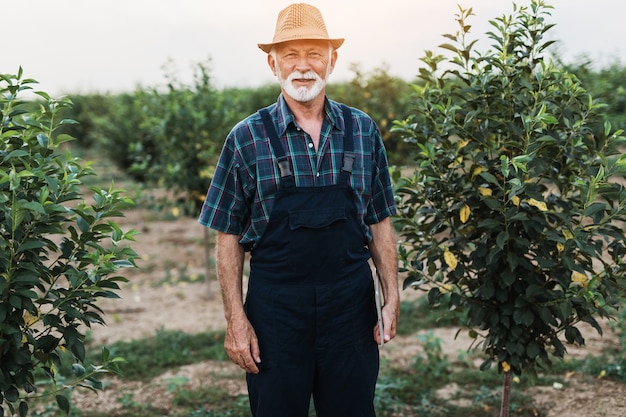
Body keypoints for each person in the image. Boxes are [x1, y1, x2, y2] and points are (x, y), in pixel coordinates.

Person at [198, 3, 399, 416]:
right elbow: (228, 236)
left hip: (350, 308)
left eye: (314, 53)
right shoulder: (246, 138)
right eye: (291, 54)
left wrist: (392, 295)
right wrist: (236, 321)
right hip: (277, 313)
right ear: (273, 63)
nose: (303, 66)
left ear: (332, 59)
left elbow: (379, 221)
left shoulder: (362, 130)